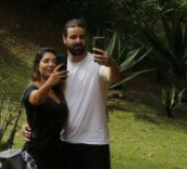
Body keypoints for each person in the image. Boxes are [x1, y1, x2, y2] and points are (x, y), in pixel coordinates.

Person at [24, 18, 121, 169]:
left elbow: (113, 77)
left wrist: (111, 63)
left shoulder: (98, 63)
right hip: (66, 142)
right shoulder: (59, 67)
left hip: (95, 141)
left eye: (81, 37)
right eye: (73, 37)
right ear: (64, 39)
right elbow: (46, 101)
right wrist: (31, 123)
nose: (78, 41)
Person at [22, 48, 69, 168]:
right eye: (46, 61)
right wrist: (49, 82)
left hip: (56, 153)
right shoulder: (32, 88)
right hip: (37, 153)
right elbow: (36, 99)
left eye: (54, 61)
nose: (51, 64)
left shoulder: (57, 91)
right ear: (38, 66)